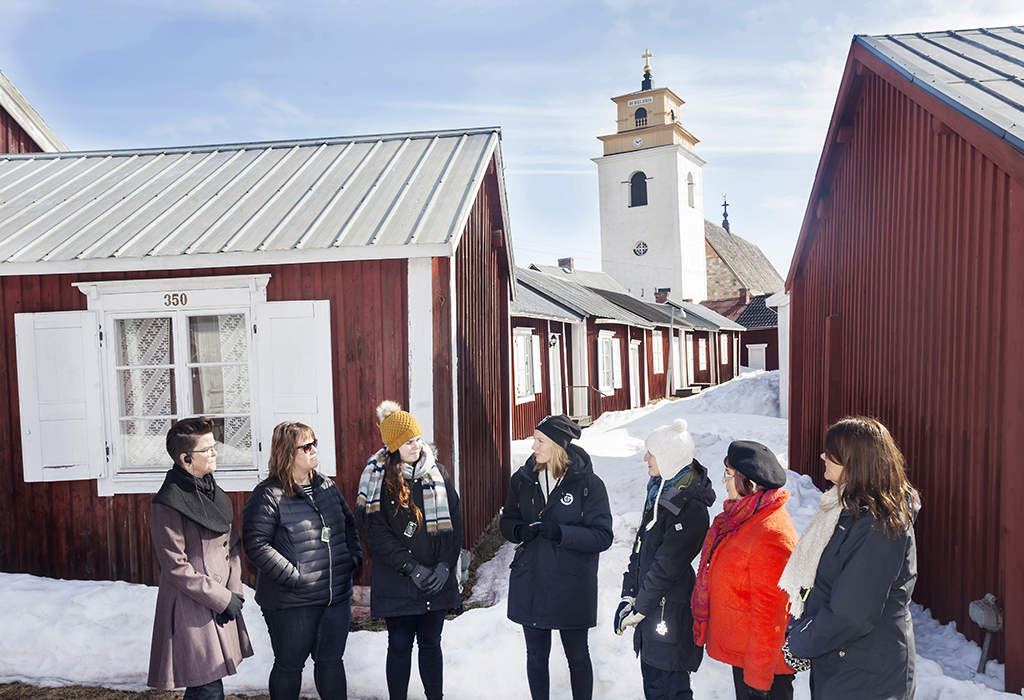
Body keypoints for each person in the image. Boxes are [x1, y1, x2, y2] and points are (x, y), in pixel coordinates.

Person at [780, 416, 920, 700]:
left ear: (855, 463)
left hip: (868, 675)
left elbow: (851, 613)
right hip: (843, 662)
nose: (823, 457)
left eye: (831, 453)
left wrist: (800, 643)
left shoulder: (880, 526)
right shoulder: (843, 510)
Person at [242, 421, 362, 700]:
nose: (314, 450)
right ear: (287, 453)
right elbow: (255, 544)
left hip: (334, 598)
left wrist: (352, 559)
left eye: (314, 443)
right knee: (289, 667)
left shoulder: (326, 486)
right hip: (292, 602)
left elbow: (349, 523)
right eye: (306, 446)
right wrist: (294, 577)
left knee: (331, 663)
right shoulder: (268, 494)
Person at [355, 401, 464, 700]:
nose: (416, 446)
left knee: (431, 643)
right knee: (400, 645)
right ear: (393, 446)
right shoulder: (378, 479)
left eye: (417, 439)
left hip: (436, 580)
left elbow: (455, 524)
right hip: (398, 580)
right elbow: (376, 534)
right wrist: (412, 568)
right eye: (408, 442)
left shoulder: (438, 473)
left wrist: (445, 566)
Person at [500, 414, 613, 700]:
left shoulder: (588, 484)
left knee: (577, 656)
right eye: (534, 440)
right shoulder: (522, 480)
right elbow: (508, 520)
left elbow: (602, 536)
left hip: (571, 584)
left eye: (540, 441)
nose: (533, 447)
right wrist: (519, 530)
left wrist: (561, 533)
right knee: (536, 656)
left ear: (558, 446)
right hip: (531, 580)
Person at [147, 416, 253, 700]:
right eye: (207, 450)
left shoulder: (211, 490)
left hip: (221, 601)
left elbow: (232, 545)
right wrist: (221, 599)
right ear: (186, 459)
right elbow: (176, 568)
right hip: (191, 609)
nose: (215, 453)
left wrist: (234, 591)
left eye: (214, 446)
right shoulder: (166, 504)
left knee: (204, 685)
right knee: (207, 686)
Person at [614, 419, 715, 700]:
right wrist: (628, 594)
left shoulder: (690, 507)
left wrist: (640, 607)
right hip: (654, 610)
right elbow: (639, 549)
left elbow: (666, 567)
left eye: (652, 453)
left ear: (669, 457)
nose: (645, 458)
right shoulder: (660, 493)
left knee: (669, 689)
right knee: (654, 686)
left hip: (669, 615)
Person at [691, 440, 798, 700]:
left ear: (749, 482)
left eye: (728, 475)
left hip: (763, 667)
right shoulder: (743, 518)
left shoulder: (770, 533)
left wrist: (758, 679)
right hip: (747, 655)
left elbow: (771, 615)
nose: (723, 481)